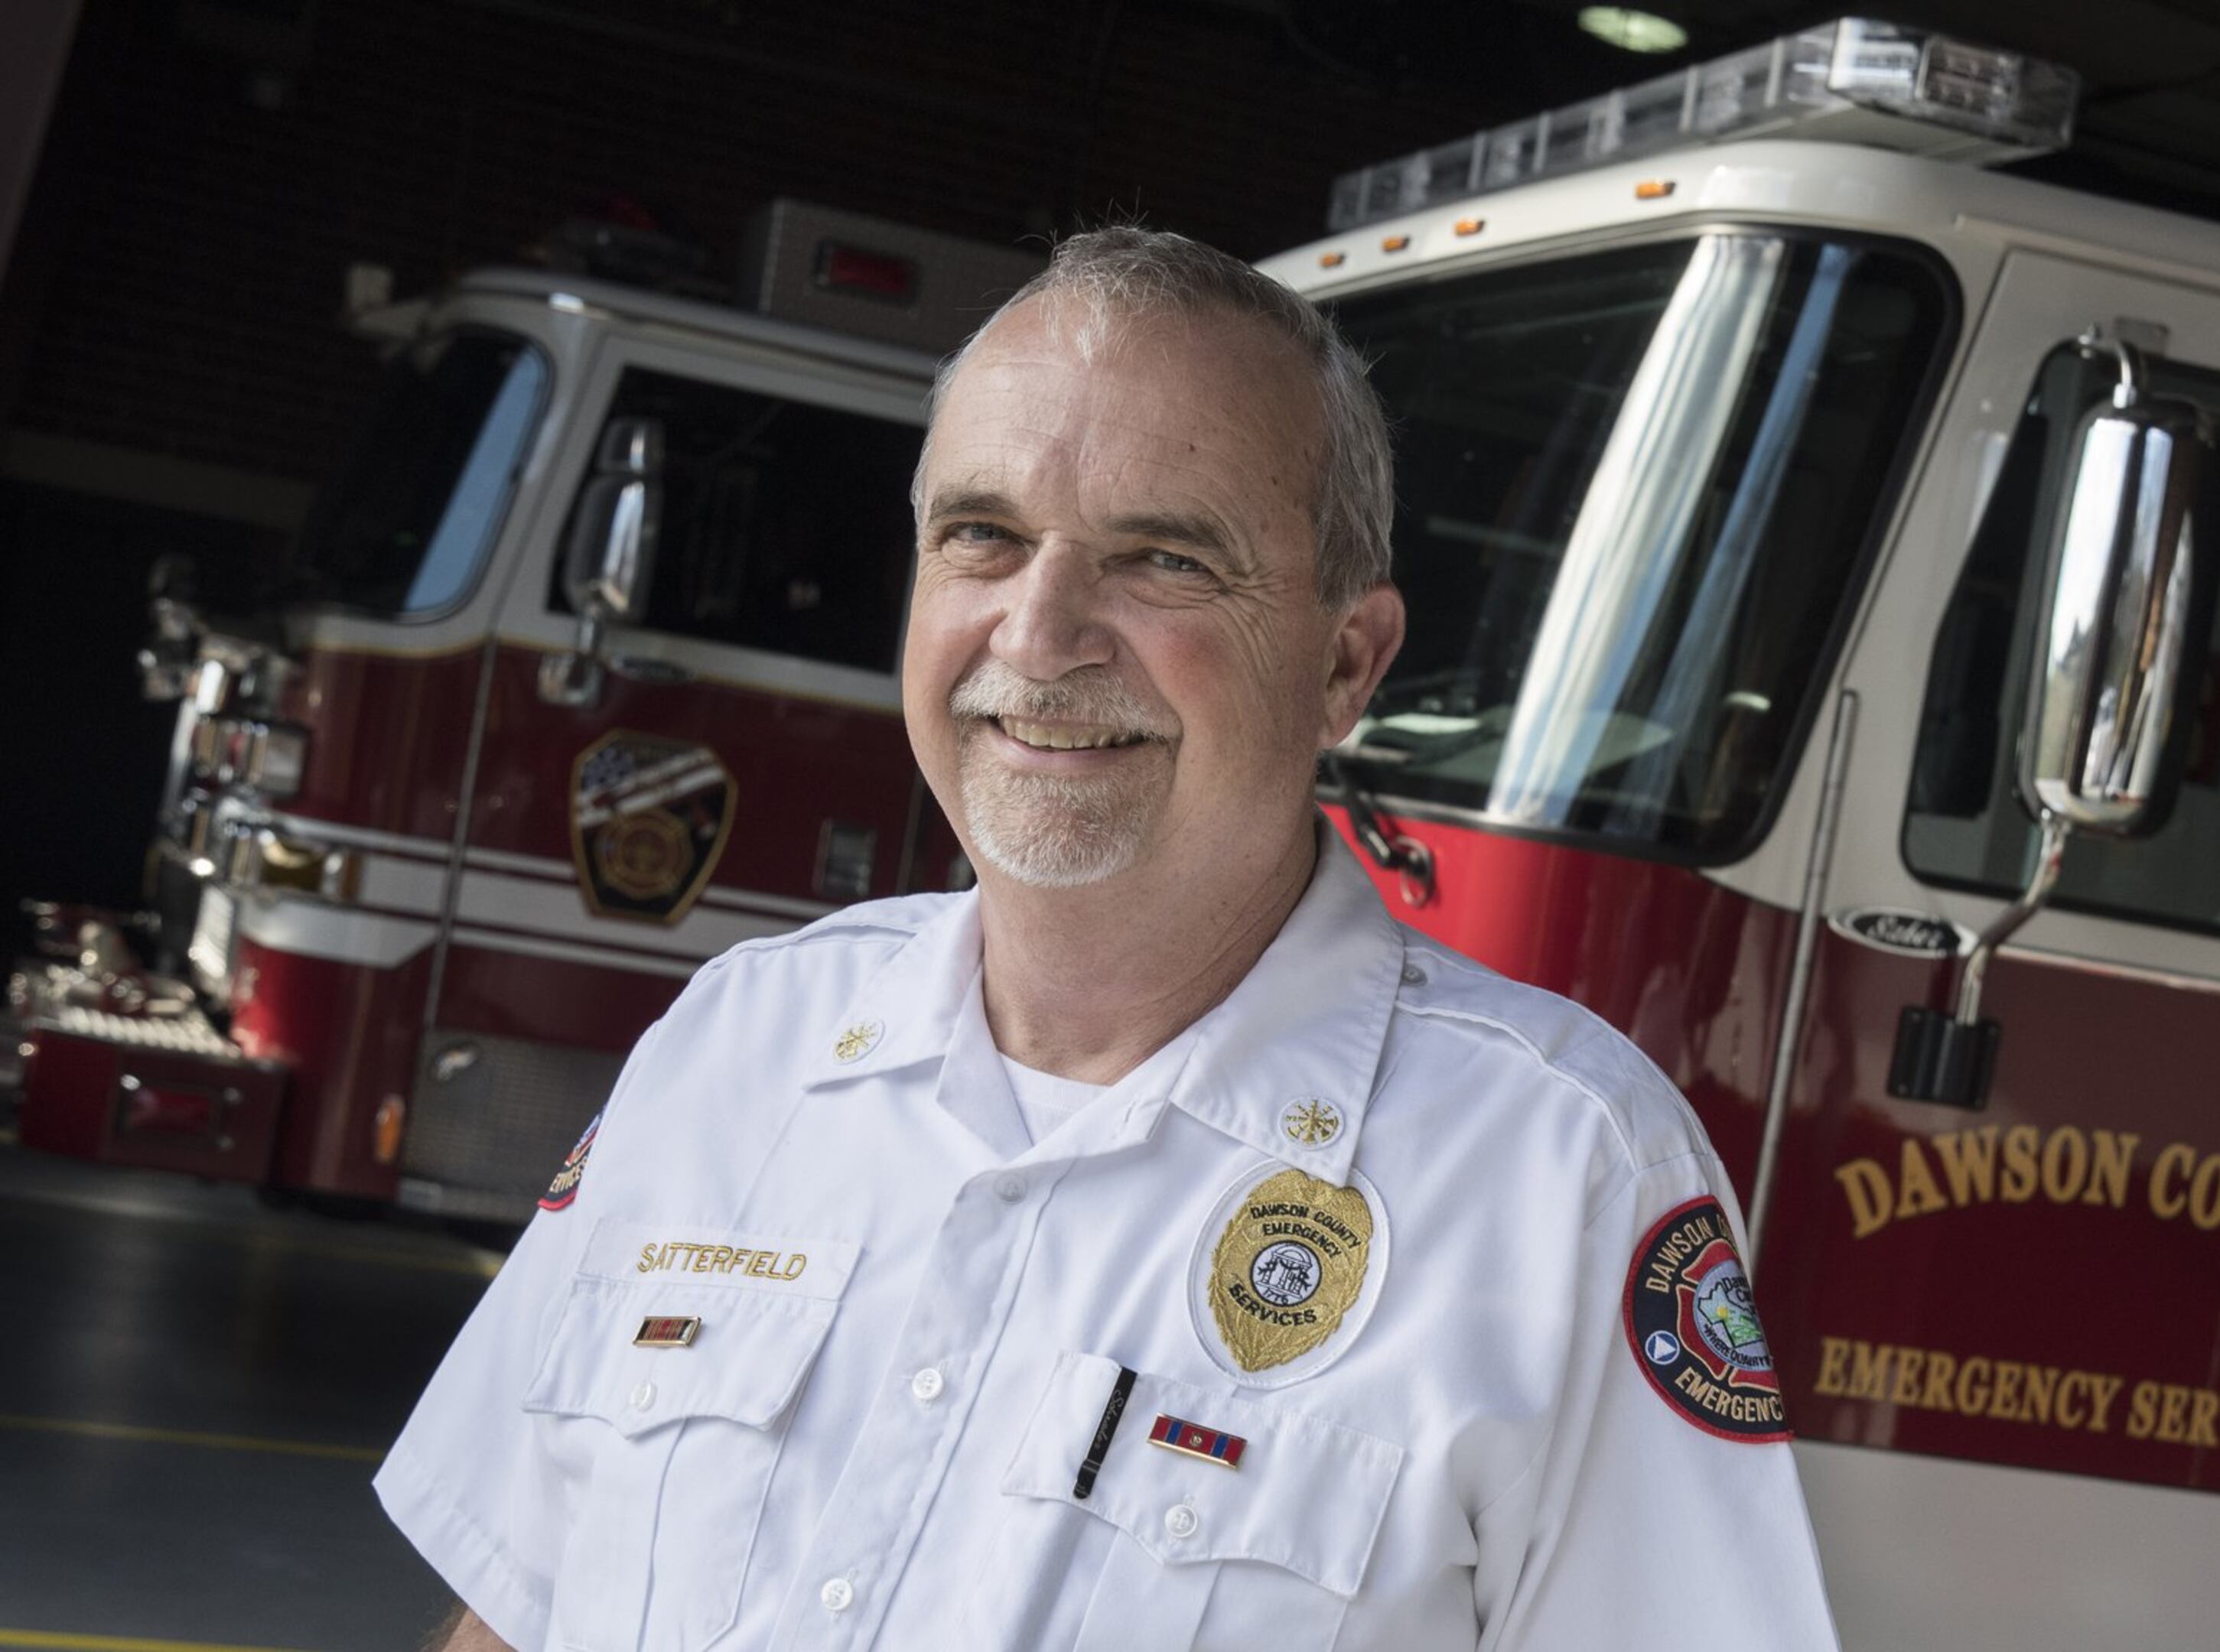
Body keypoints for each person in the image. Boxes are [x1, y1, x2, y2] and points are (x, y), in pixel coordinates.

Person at [381, 226, 1841, 1652]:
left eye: (1162, 561)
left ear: (1347, 664)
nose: (1037, 632)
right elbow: (521, 1605)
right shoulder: (732, 1051)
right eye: (982, 537)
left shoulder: (1561, 1180)